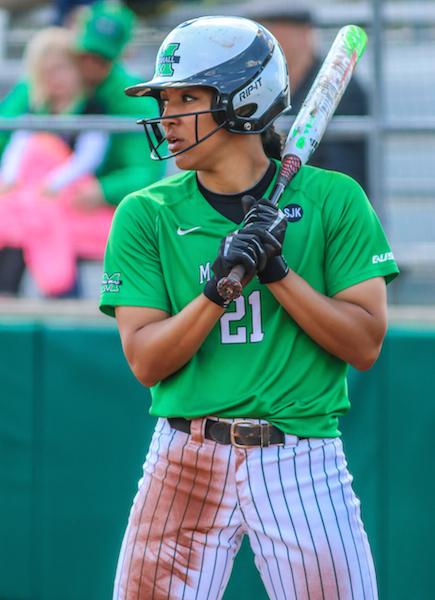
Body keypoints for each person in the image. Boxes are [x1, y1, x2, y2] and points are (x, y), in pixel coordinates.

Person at [100, 16, 399, 599]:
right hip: (183, 455)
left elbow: (364, 345)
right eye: (165, 99)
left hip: (301, 458)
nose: (168, 116)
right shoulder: (145, 212)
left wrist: (277, 272)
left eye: (188, 97)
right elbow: (146, 361)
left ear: (245, 102)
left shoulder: (334, 199)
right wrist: (218, 291)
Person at [0, 0, 164, 295]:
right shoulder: (45, 85)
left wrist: (101, 190)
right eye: (85, 53)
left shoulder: (132, 98)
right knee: (24, 221)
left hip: (95, 207)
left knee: (51, 230)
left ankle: (64, 320)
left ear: (119, 56)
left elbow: (146, 174)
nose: (90, 65)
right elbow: (9, 132)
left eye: (101, 59)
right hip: (42, 203)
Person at [251, 6, 369, 193]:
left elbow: (342, 170)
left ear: (305, 33)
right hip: (278, 199)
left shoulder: (341, 90)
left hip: (325, 203)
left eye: (277, 28)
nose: (268, 40)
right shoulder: (267, 86)